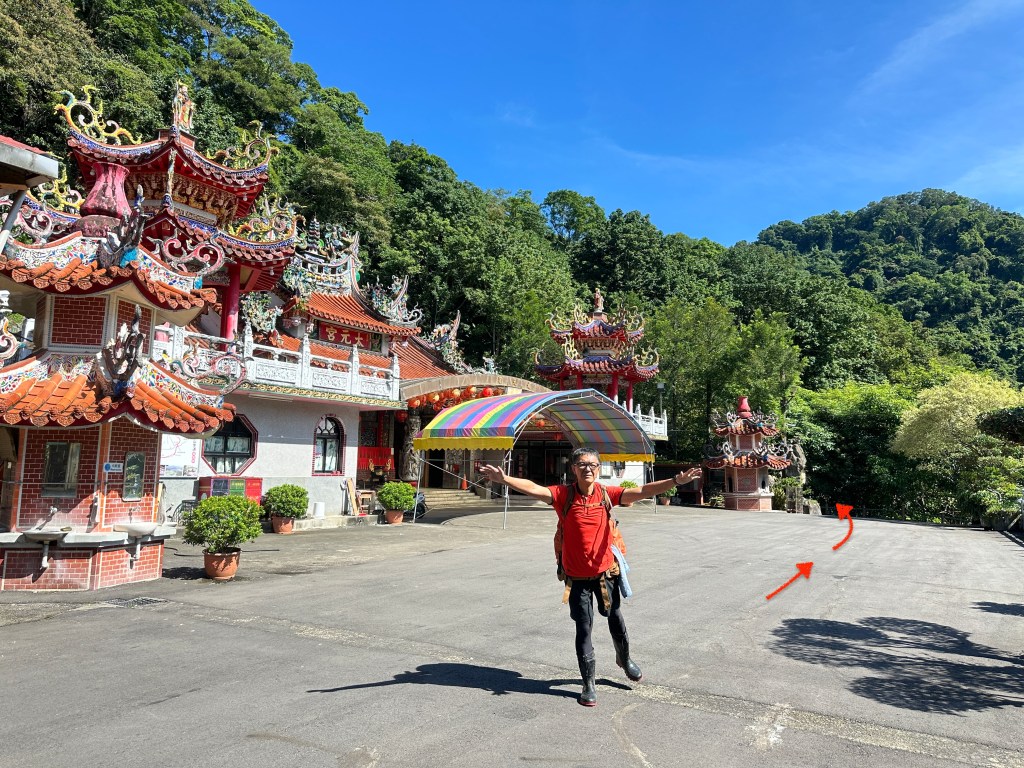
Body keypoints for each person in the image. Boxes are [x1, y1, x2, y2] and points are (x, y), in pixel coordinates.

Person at [479, 449, 702, 707]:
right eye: (582, 464)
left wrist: (675, 481)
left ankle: (624, 658)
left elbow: (642, 491)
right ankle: (588, 683)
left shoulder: (608, 494)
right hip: (576, 577)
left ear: (598, 468)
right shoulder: (563, 495)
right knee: (584, 627)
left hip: (605, 572)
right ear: (573, 468)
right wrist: (505, 479)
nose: (588, 468)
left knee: (615, 616)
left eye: (593, 464)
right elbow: (534, 488)